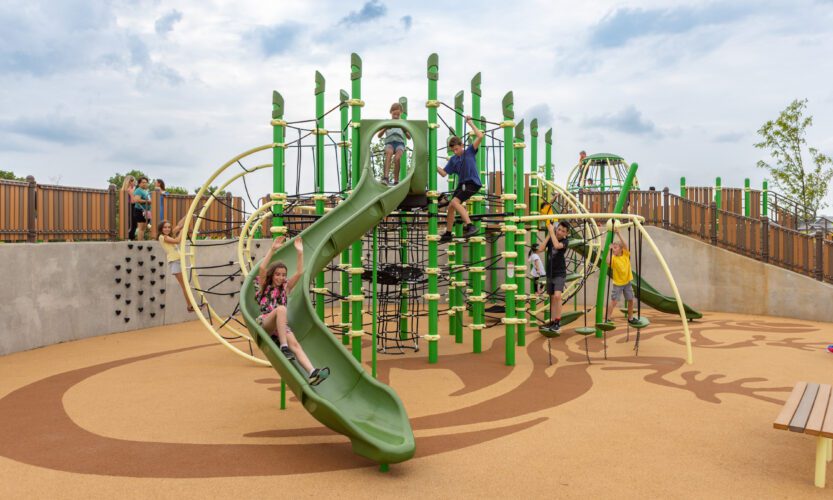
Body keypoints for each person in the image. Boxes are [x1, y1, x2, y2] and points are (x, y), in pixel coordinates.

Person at [255, 236, 330, 386]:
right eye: (277, 274)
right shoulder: (265, 286)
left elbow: (300, 273)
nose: (281, 277)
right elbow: (262, 268)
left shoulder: (286, 287)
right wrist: (272, 249)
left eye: (283, 275)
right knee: (281, 309)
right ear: (272, 275)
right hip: (267, 321)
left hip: (281, 326)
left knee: (295, 344)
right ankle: (283, 346)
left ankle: (312, 373)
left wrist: (300, 253)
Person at [437, 115, 484, 243]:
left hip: (472, 183)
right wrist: (433, 165)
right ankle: (448, 233)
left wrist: (470, 123)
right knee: (451, 207)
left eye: (457, 149)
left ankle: (470, 225)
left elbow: (480, 136)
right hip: (462, 184)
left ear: (462, 145)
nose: (455, 152)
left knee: (455, 203)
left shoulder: (469, 151)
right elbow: (443, 173)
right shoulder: (453, 160)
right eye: (453, 150)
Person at [538, 221, 570, 331]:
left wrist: (552, 232)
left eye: (563, 231)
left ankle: (557, 321)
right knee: (552, 298)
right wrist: (548, 235)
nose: (560, 232)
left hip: (560, 273)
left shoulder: (565, 241)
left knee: (557, 296)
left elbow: (557, 245)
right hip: (550, 272)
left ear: (566, 234)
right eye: (559, 229)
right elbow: (540, 249)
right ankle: (552, 321)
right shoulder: (551, 237)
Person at [158, 217, 194, 313]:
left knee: (185, 285)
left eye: (169, 227)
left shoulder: (169, 235)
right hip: (174, 262)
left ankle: (190, 306)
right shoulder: (163, 237)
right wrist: (184, 229)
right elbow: (178, 240)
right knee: (184, 285)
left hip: (178, 261)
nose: (167, 229)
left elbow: (179, 225)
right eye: (165, 227)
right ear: (161, 229)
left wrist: (187, 215)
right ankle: (190, 306)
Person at [608, 229, 639, 325]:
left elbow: (625, 245)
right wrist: (609, 250)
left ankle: (630, 318)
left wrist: (618, 234)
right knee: (614, 301)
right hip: (618, 284)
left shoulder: (625, 254)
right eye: (613, 248)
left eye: (615, 248)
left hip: (627, 282)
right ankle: (607, 318)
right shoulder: (613, 258)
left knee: (631, 300)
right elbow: (607, 262)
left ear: (621, 249)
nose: (614, 249)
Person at [376, 102, 411, 185]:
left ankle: (396, 180)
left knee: (397, 158)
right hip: (389, 142)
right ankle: (386, 178)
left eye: (398, 114)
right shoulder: (387, 122)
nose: (396, 116)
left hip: (399, 143)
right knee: (389, 153)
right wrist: (385, 128)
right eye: (394, 113)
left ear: (401, 113)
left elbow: (409, 137)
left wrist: (404, 129)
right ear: (391, 112)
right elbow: (379, 135)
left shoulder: (403, 122)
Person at [121, 175, 137, 240]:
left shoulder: (123, 190)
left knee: (128, 223)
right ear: (129, 182)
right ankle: (130, 238)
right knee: (133, 224)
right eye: (133, 181)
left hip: (126, 207)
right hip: (132, 207)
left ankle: (127, 238)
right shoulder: (130, 189)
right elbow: (133, 201)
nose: (135, 183)